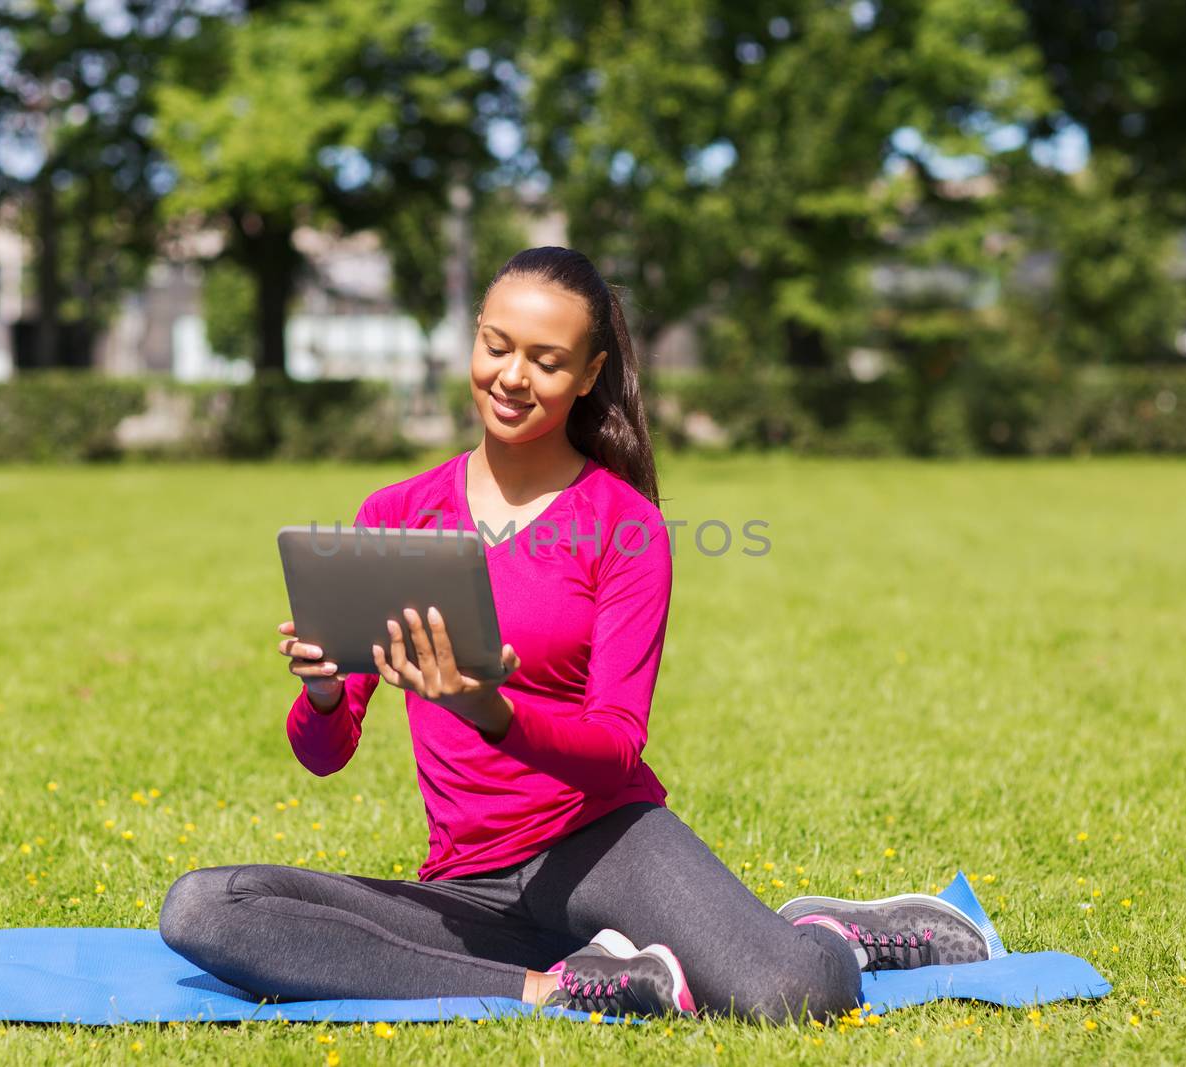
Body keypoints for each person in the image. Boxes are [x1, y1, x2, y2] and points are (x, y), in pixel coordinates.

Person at [158, 246, 990, 1023]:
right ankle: (554, 985)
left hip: (602, 841)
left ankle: (828, 933)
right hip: (471, 884)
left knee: (787, 990)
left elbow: (616, 745)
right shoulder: (398, 514)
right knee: (206, 908)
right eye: (496, 345)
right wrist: (324, 691)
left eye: (546, 360)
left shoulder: (624, 526)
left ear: (591, 374)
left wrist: (490, 709)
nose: (511, 376)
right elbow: (324, 752)